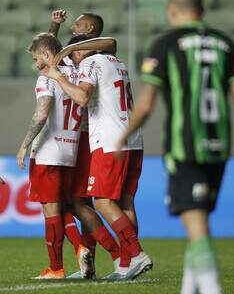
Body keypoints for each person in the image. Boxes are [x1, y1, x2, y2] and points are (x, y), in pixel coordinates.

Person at [116, 0, 234, 294]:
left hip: (185, 150)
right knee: (197, 222)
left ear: (171, 10)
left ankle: (212, 288)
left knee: (197, 228)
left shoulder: (165, 44)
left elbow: (145, 105)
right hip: (219, 149)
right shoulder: (227, 44)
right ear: (203, 9)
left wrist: (122, 138)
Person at [42, 34, 153, 280]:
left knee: (102, 201)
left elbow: (82, 97)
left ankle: (136, 254)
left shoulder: (90, 64)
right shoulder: (117, 62)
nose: (73, 58)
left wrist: (58, 77)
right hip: (133, 140)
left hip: (110, 140)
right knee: (125, 204)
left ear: (82, 51)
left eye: (73, 54)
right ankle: (125, 264)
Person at [16, 33, 94, 279]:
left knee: (50, 212)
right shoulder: (73, 74)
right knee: (61, 208)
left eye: (36, 57)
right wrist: (54, 27)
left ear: (46, 55)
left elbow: (41, 114)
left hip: (48, 153)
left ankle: (56, 267)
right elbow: (52, 44)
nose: (35, 63)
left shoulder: (45, 79)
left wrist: (24, 145)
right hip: (70, 151)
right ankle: (80, 248)